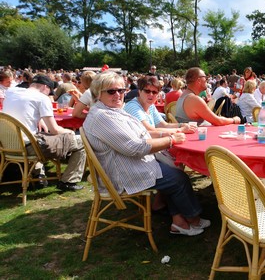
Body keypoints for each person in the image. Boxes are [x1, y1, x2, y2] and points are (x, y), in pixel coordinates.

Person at [83, 71, 210, 236]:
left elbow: (143, 135)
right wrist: (171, 140)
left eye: (121, 90)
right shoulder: (103, 117)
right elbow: (135, 147)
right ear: (97, 93)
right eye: (111, 91)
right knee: (178, 179)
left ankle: (178, 221)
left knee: (173, 172)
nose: (118, 95)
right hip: (124, 174)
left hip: (128, 163)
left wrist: (173, 134)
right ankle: (192, 218)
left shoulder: (111, 110)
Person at [3, 74, 86, 191]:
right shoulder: (42, 98)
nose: (49, 95)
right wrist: (70, 132)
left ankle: (39, 175)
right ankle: (68, 181)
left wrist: (40, 119)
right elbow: (55, 130)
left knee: (37, 135)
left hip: (7, 146)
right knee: (81, 142)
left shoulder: (11, 92)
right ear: (45, 87)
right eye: (49, 92)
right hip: (29, 147)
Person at [175, 67, 241, 126]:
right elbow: (217, 121)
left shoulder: (183, 96)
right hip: (200, 136)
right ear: (199, 80)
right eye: (205, 77)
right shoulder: (194, 99)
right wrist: (234, 119)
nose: (207, 80)